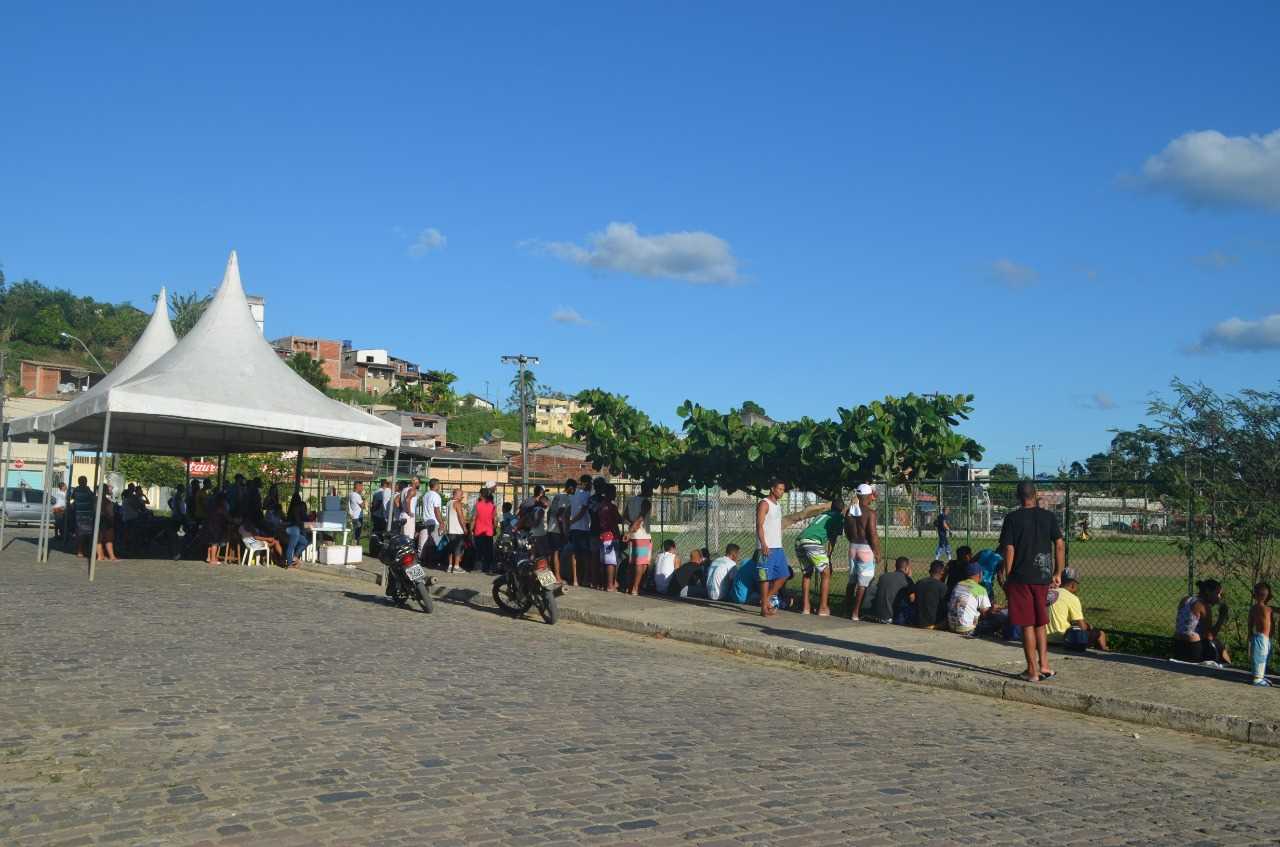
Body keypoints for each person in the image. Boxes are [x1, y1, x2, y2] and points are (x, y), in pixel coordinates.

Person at [998, 481, 1065, 683]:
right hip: (1043, 576)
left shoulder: (1012, 518)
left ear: (1018, 497)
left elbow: (1009, 549)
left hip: (1021, 577)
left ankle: (1032, 670)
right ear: (1035, 495)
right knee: (1040, 622)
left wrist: (1008, 575)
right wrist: (1058, 572)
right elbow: (1059, 544)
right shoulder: (1048, 517)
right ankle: (1045, 665)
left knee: (1027, 624)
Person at [794, 498, 844, 616]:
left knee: (807, 573)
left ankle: (806, 607)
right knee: (826, 573)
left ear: (831, 507)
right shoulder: (838, 518)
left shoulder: (824, 514)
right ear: (841, 510)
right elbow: (833, 539)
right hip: (812, 542)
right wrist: (829, 557)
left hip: (799, 540)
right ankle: (823, 608)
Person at [1047, 568, 1109, 652]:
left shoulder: (1049, 592)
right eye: (1077, 585)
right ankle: (1104, 651)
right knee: (1100, 634)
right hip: (1063, 640)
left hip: (1043, 639)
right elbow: (1082, 627)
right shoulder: (1072, 598)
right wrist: (1089, 627)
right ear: (1073, 585)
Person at [844, 483, 881, 621]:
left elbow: (847, 531)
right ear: (868, 495)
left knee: (852, 580)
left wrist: (853, 541)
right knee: (863, 583)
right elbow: (873, 534)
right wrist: (877, 552)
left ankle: (846, 609)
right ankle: (855, 612)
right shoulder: (870, 513)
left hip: (853, 547)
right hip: (865, 549)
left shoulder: (850, 511)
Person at [1173, 579, 1232, 666]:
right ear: (1208, 591)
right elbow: (1210, 636)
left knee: (1215, 643)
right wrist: (1221, 617)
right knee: (1218, 644)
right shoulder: (1204, 606)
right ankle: (1229, 667)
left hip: (1177, 646)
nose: (1219, 597)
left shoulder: (1186, 599)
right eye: (1217, 593)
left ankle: (1228, 665)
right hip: (1192, 649)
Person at [948, 560, 995, 635]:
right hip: (967, 629)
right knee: (998, 620)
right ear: (979, 574)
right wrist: (993, 608)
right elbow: (985, 613)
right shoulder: (980, 589)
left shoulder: (958, 585)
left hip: (951, 626)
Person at [624, 482, 653, 595]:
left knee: (635, 563)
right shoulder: (646, 502)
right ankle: (635, 588)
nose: (651, 492)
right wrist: (631, 529)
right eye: (651, 489)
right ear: (647, 489)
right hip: (643, 536)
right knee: (640, 563)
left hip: (634, 536)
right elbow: (641, 518)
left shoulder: (631, 500)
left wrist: (631, 526)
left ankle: (630, 586)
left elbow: (625, 516)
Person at [868, 557, 913, 624]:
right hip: (891, 617)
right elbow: (912, 599)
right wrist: (909, 578)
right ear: (906, 568)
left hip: (877, 614)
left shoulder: (883, 576)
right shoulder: (907, 580)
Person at [597, 485, 624, 591]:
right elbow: (618, 519)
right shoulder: (611, 507)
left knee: (604, 561)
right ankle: (610, 585)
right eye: (614, 492)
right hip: (611, 536)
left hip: (603, 535)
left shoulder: (601, 505)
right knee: (611, 562)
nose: (615, 494)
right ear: (609, 493)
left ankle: (605, 583)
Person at [568, 474, 593, 588]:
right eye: (590, 483)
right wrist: (573, 521)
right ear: (586, 483)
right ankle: (585, 578)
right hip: (583, 529)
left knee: (574, 555)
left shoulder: (574, 494)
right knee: (585, 555)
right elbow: (583, 511)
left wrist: (571, 522)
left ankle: (575, 580)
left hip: (574, 529)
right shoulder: (586, 495)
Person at [548, 479, 574, 582]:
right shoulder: (564, 498)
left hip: (551, 527)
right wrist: (563, 531)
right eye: (574, 489)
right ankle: (557, 576)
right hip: (558, 529)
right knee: (556, 553)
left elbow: (549, 512)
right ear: (571, 488)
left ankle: (551, 575)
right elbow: (560, 516)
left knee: (552, 552)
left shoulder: (557, 496)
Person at [1249, 582, 1273, 686]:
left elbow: (1249, 622)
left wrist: (1249, 633)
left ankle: (1260, 676)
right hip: (1262, 638)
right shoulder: (1267, 609)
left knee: (1261, 657)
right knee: (1260, 657)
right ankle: (1257, 679)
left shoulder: (1253, 608)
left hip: (1259, 636)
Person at [914, 560, 950, 629]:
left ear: (930, 571)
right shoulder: (942, 586)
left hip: (918, 622)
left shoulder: (920, 582)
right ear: (942, 572)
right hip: (934, 623)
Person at [471, 489, 496, 575]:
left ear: (481, 495)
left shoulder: (477, 505)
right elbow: (494, 519)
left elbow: (474, 518)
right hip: (489, 531)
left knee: (479, 549)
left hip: (478, 531)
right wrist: (494, 528)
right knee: (489, 550)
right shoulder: (492, 505)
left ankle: (478, 567)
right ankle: (489, 568)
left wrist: (470, 529)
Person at [200, 493, 230, 565]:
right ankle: (213, 560)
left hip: (209, 525)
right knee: (214, 543)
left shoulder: (212, 505)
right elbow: (226, 516)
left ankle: (210, 557)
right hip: (216, 527)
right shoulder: (221, 507)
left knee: (211, 543)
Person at [70, 476, 96, 557]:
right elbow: (93, 498)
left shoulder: (76, 490)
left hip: (78, 514)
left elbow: (72, 498)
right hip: (87, 514)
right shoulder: (87, 490)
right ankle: (81, 551)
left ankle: (79, 550)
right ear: (85, 482)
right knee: (85, 534)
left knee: (80, 533)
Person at [282, 492, 310, 568]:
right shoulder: (299, 506)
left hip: (288, 529)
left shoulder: (292, 507)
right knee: (292, 546)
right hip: (294, 529)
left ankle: (294, 557)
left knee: (304, 542)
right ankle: (290, 563)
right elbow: (300, 519)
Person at [96, 484, 121, 562]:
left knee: (101, 539)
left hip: (101, 521)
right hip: (105, 521)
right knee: (107, 539)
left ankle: (102, 556)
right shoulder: (104, 501)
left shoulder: (97, 499)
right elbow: (109, 513)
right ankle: (108, 556)